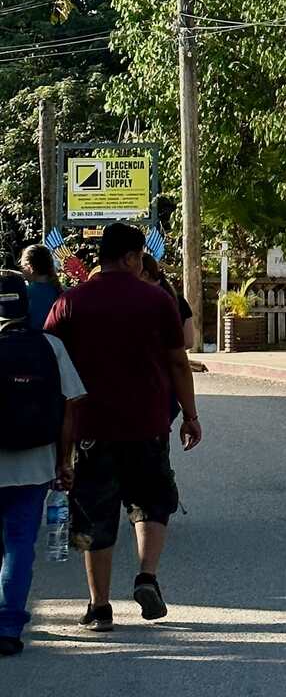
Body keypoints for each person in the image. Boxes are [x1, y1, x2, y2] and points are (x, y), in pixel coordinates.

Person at [44, 223, 203, 632]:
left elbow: (49, 363)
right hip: (148, 424)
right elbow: (177, 362)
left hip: (89, 428)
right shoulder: (156, 300)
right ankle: (147, 577)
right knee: (152, 502)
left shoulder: (70, 302)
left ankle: (99, 608)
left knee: (92, 517)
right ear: (132, 257)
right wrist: (190, 414)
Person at [0, 269, 84, 656]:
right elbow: (69, 408)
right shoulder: (50, 346)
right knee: (19, 542)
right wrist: (63, 461)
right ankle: (9, 624)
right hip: (34, 464)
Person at [140, 254, 195, 352]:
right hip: (172, 361)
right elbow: (189, 341)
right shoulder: (178, 300)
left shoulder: (142, 301)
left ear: (145, 275)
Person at [18, 245, 61, 334]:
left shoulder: (25, 293)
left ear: (30, 267)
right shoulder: (62, 291)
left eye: (22, 267)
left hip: (34, 344)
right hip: (57, 345)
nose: (22, 271)